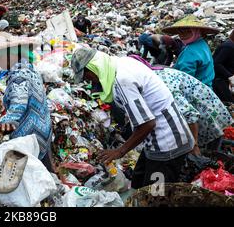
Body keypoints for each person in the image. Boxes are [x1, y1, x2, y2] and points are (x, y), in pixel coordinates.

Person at [71, 47, 194, 189]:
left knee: (155, 195)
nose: (88, 81)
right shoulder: (121, 62)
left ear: (94, 67)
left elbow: (147, 124)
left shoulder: (122, 80)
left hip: (167, 144)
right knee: (138, 183)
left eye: (87, 76)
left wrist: (120, 151)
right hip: (156, 141)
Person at [129, 55, 233, 154]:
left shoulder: (160, 83)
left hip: (206, 114)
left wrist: (194, 146)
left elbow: (190, 115)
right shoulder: (152, 74)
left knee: (206, 157)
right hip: (197, 110)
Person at [0, 39, 53, 171]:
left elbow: (19, 102)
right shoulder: (29, 67)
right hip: (43, 127)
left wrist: (7, 120)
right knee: (43, 172)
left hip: (30, 133)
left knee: (31, 176)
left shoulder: (18, 73)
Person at [162, 15, 220, 88]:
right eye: (180, 32)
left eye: (187, 31)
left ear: (196, 31)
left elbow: (185, 78)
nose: (182, 35)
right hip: (206, 88)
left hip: (196, 91)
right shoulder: (201, 44)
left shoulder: (191, 51)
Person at [212, 29, 234, 104]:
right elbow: (216, 63)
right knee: (228, 103)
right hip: (219, 80)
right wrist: (230, 76)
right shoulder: (229, 46)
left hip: (225, 80)